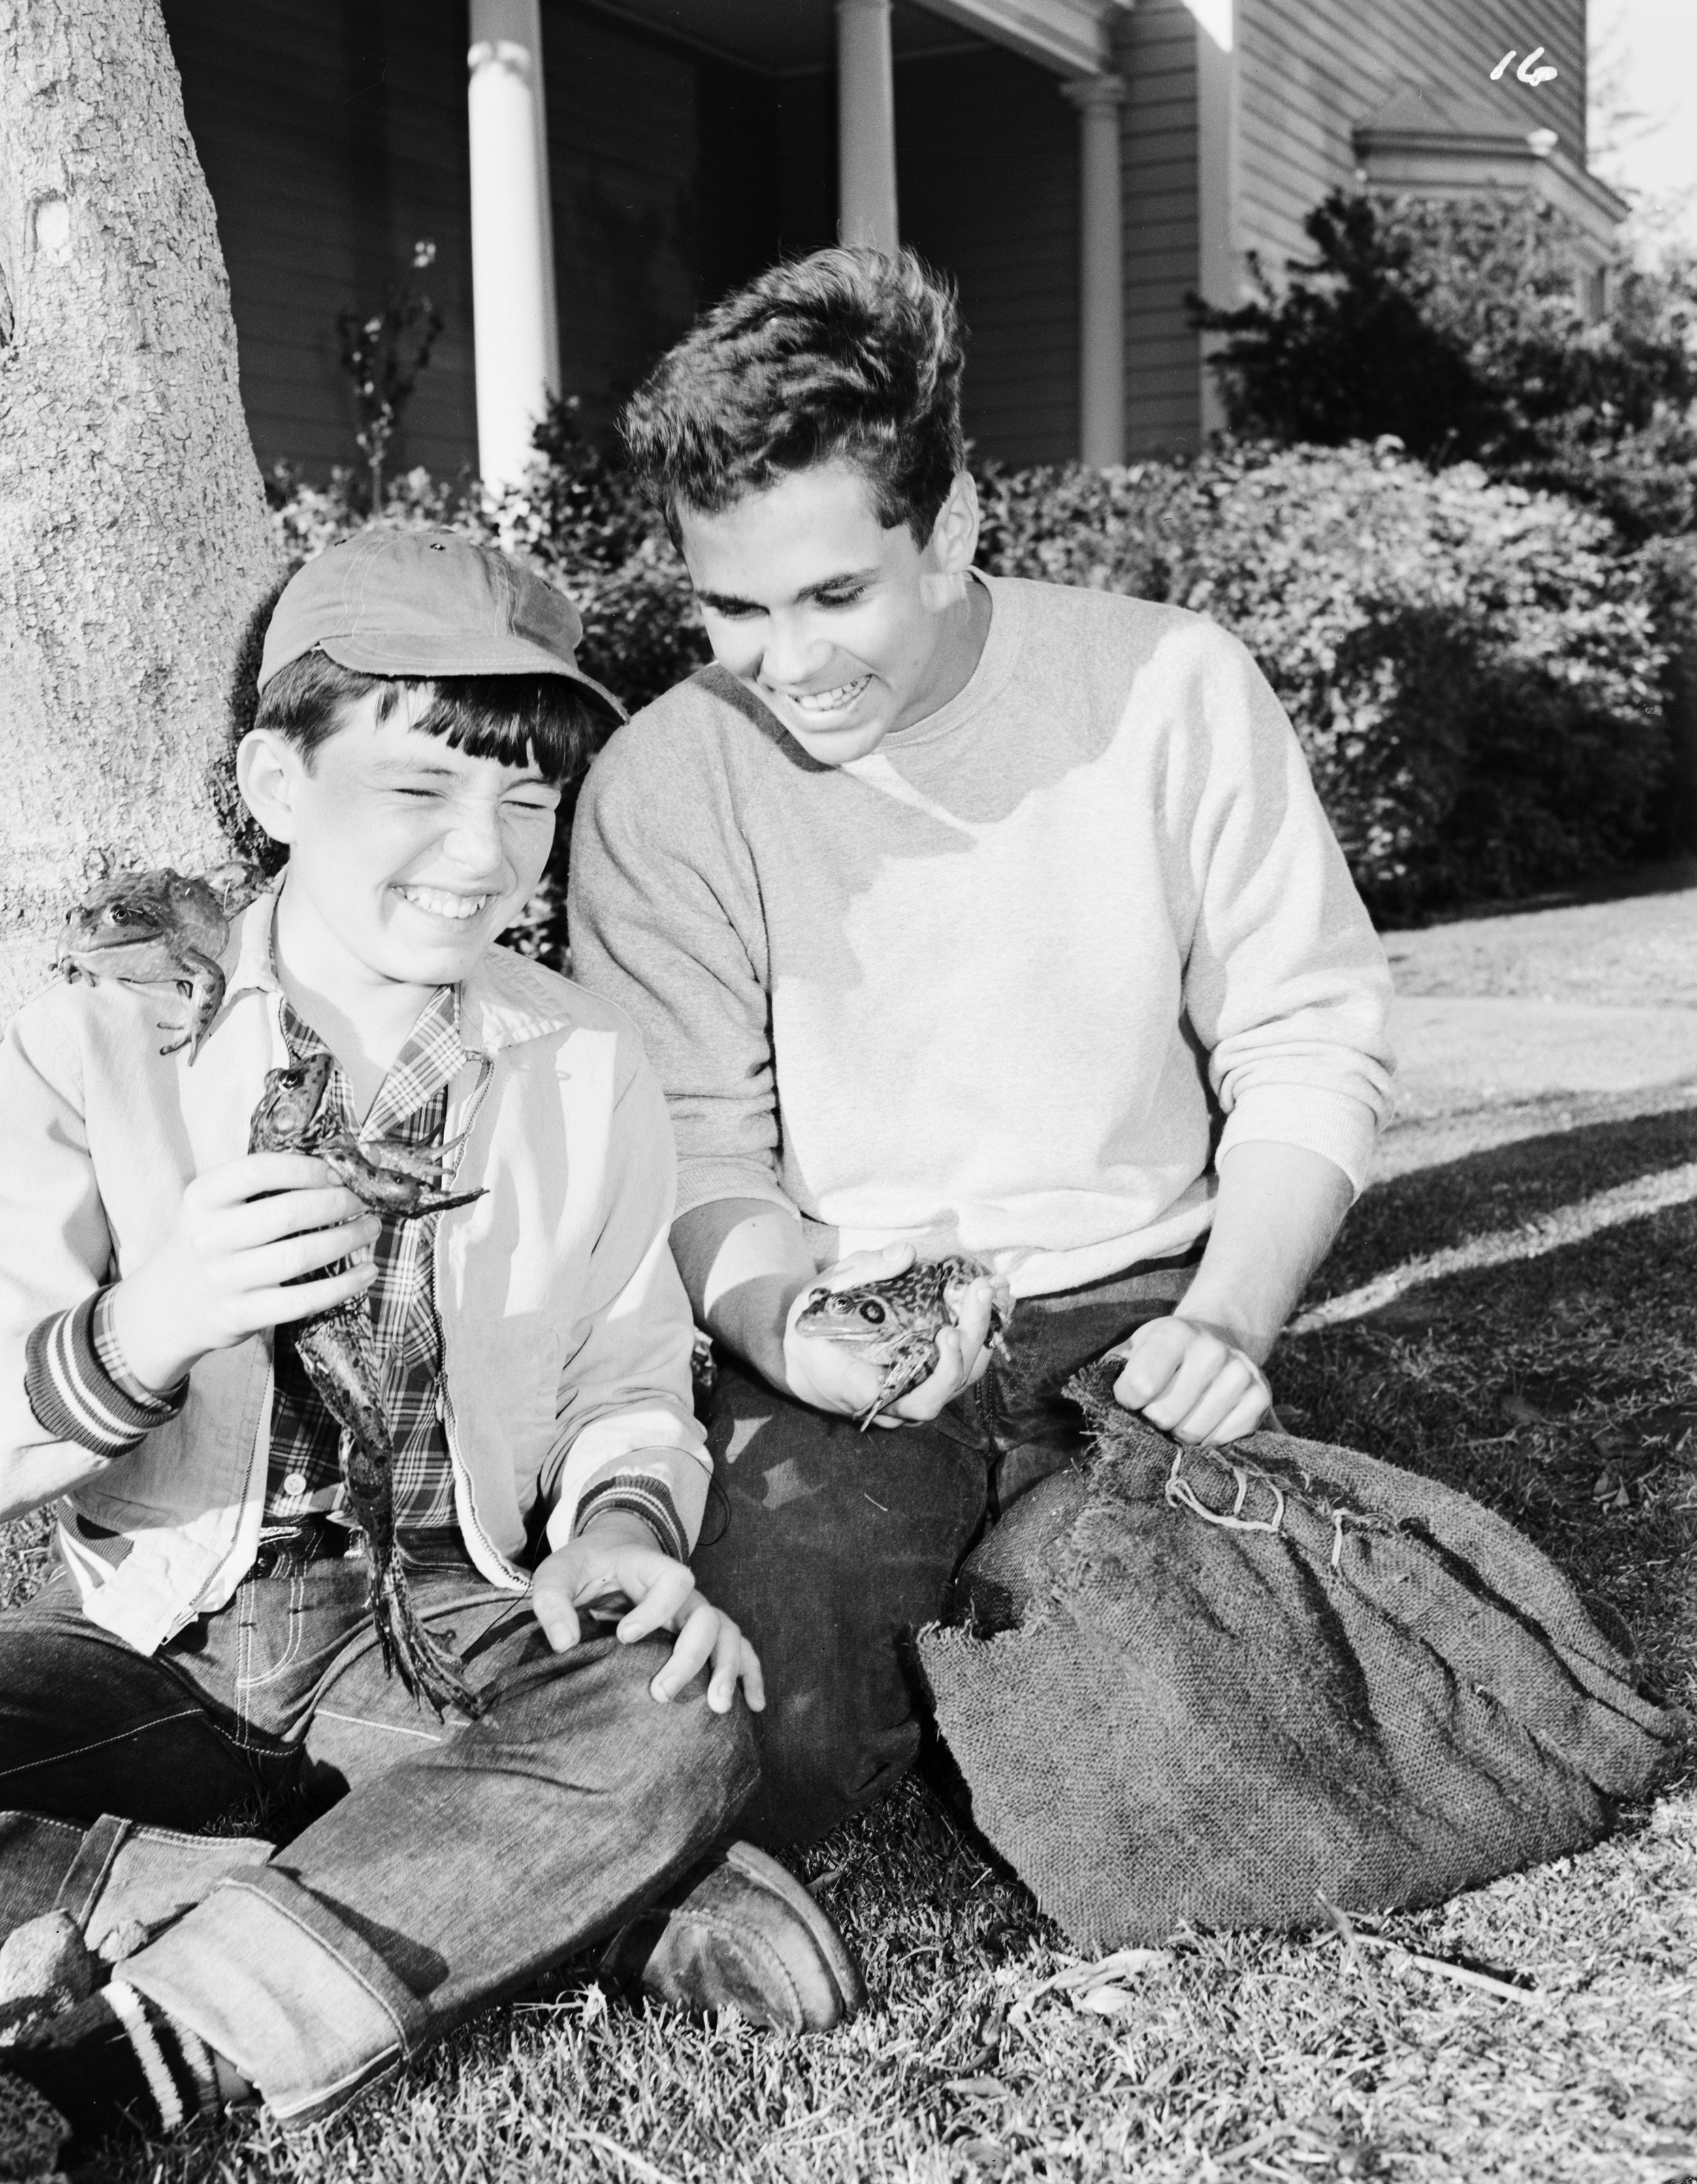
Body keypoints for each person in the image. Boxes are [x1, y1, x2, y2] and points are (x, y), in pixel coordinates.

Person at [0, 530, 860, 2167]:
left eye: (528, 804)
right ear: (274, 777)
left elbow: (628, 1375)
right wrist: (153, 1320)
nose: (485, 857)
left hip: (456, 1644)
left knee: (680, 1720)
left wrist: (621, 1533)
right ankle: (400, 1886)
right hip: (159, 1650)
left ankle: (174, 2035)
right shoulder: (95, 1037)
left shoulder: (584, 1060)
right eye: (420, 791)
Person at [567, 247, 1397, 1848]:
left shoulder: (1168, 686)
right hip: (846, 1322)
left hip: (1137, 1296)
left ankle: (1052, 1583)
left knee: (1208, 1748)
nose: (786, 665)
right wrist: (785, 1329)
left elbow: (1309, 1037)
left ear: (948, 532)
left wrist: (1228, 1321)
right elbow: (694, 1134)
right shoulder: (664, 782)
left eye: (832, 597)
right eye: (731, 609)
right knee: (765, 1755)